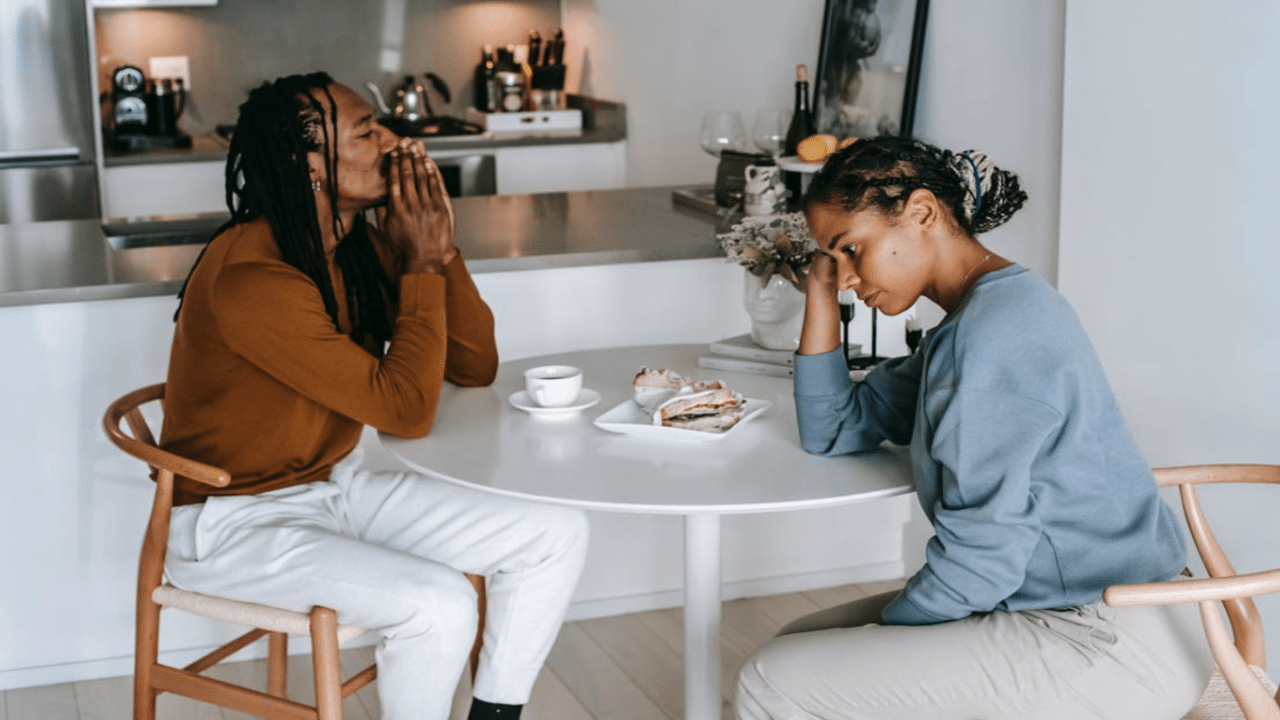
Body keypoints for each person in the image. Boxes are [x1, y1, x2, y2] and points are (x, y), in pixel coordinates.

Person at [734, 136, 1213, 720]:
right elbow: (835, 426)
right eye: (835, 259)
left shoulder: (991, 340)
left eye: (853, 250)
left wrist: (888, 634)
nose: (850, 277)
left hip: (1105, 639)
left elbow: (984, 563)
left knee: (771, 681)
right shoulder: (983, 316)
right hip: (1103, 612)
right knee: (795, 643)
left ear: (922, 213)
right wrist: (821, 296)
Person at [159, 72, 588, 720]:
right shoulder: (254, 280)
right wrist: (416, 266)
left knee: (556, 530)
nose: (394, 139)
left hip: (333, 489)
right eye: (367, 130)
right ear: (310, 166)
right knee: (441, 603)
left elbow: (476, 366)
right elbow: (407, 413)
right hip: (231, 524)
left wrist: (438, 252)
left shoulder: (357, 249)